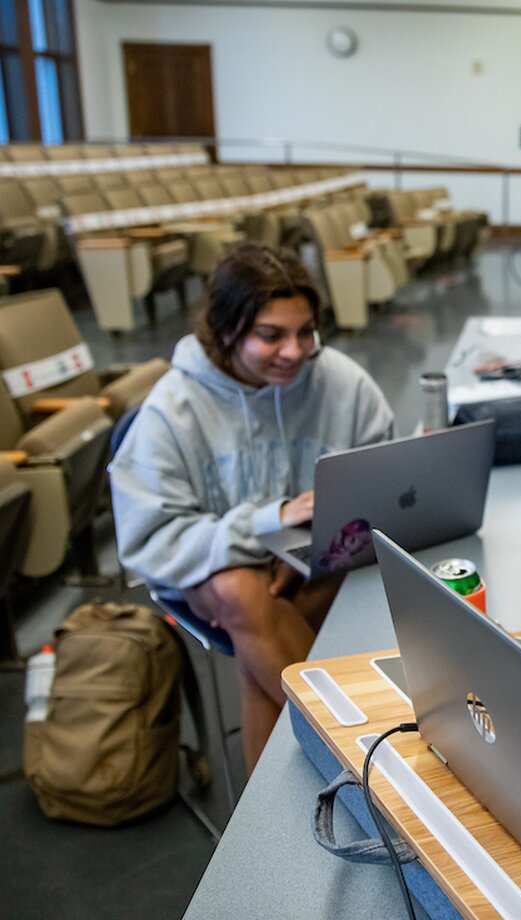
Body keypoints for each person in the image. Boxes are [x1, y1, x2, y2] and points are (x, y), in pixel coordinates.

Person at [111, 244, 395, 770]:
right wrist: (267, 523)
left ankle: (270, 822)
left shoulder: (342, 381)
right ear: (225, 332)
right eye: (271, 335)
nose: (295, 350)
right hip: (206, 563)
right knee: (240, 590)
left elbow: (380, 484)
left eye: (306, 331)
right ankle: (364, 755)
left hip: (314, 558)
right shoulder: (173, 408)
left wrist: (305, 546)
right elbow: (149, 540)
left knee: (256, 640)